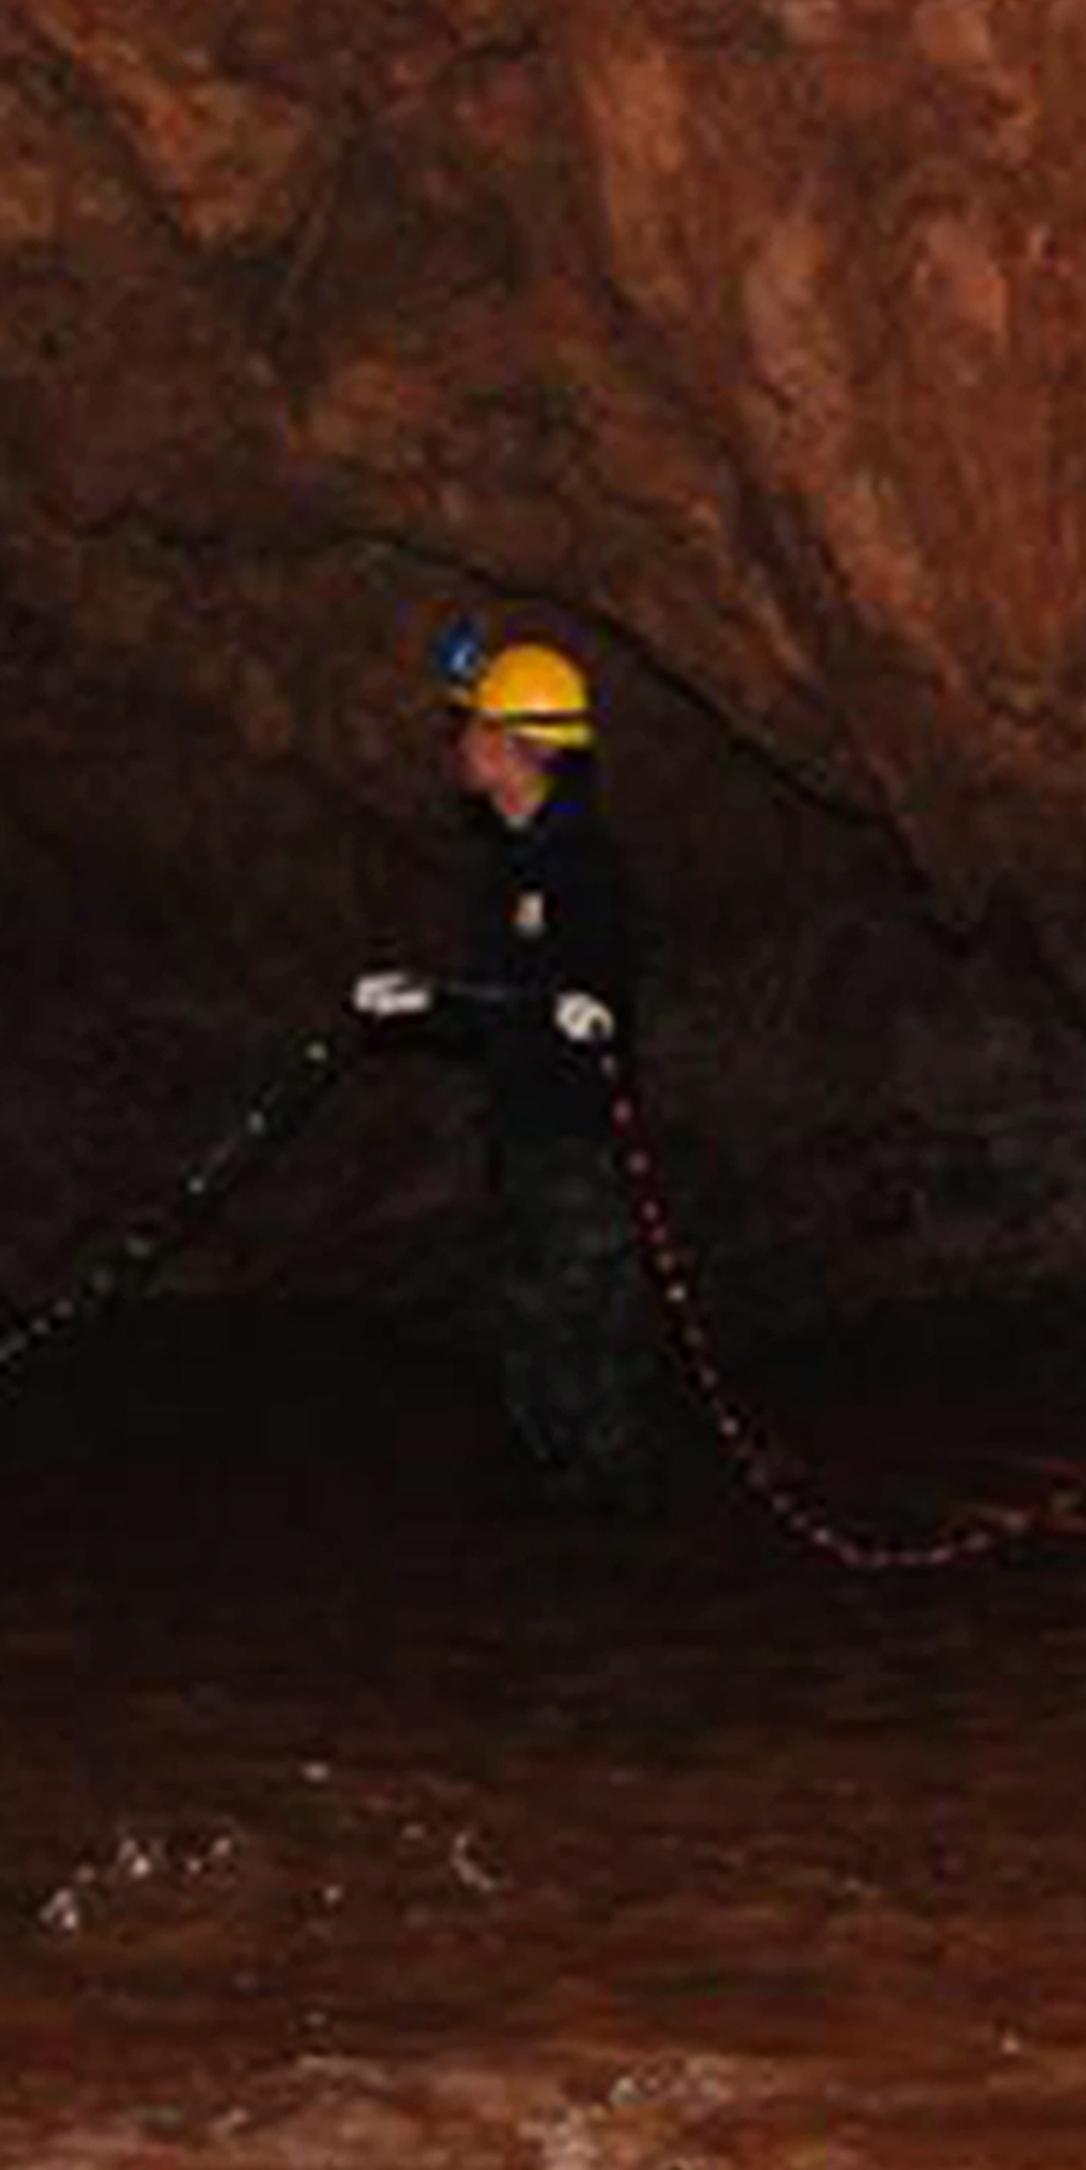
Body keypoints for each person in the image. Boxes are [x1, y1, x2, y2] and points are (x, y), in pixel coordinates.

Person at [355, 633, 661, 1513]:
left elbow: (595, 983)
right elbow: (504, 997)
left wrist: (580, 1006)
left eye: (474, 727)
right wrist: (426, 1001)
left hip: (580, 1138)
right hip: (525, 1132)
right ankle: (552, 1574)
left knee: (588, 1335)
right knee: (530, 1332)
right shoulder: (508, 865)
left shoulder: (580, 861)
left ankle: (624, 1550)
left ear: (517, 747)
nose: (459, 743)